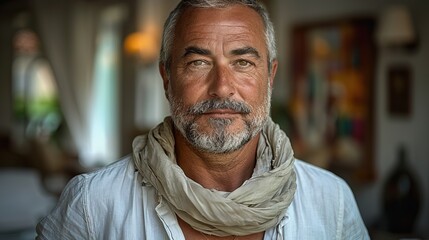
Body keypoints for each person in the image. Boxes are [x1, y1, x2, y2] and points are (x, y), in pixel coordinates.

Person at [36, 0, 370, 239]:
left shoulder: (332, 202)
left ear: (270, 76)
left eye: (242, 63)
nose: (222, 88)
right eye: (198, 63)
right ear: (167, 77)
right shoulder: (93, 206)